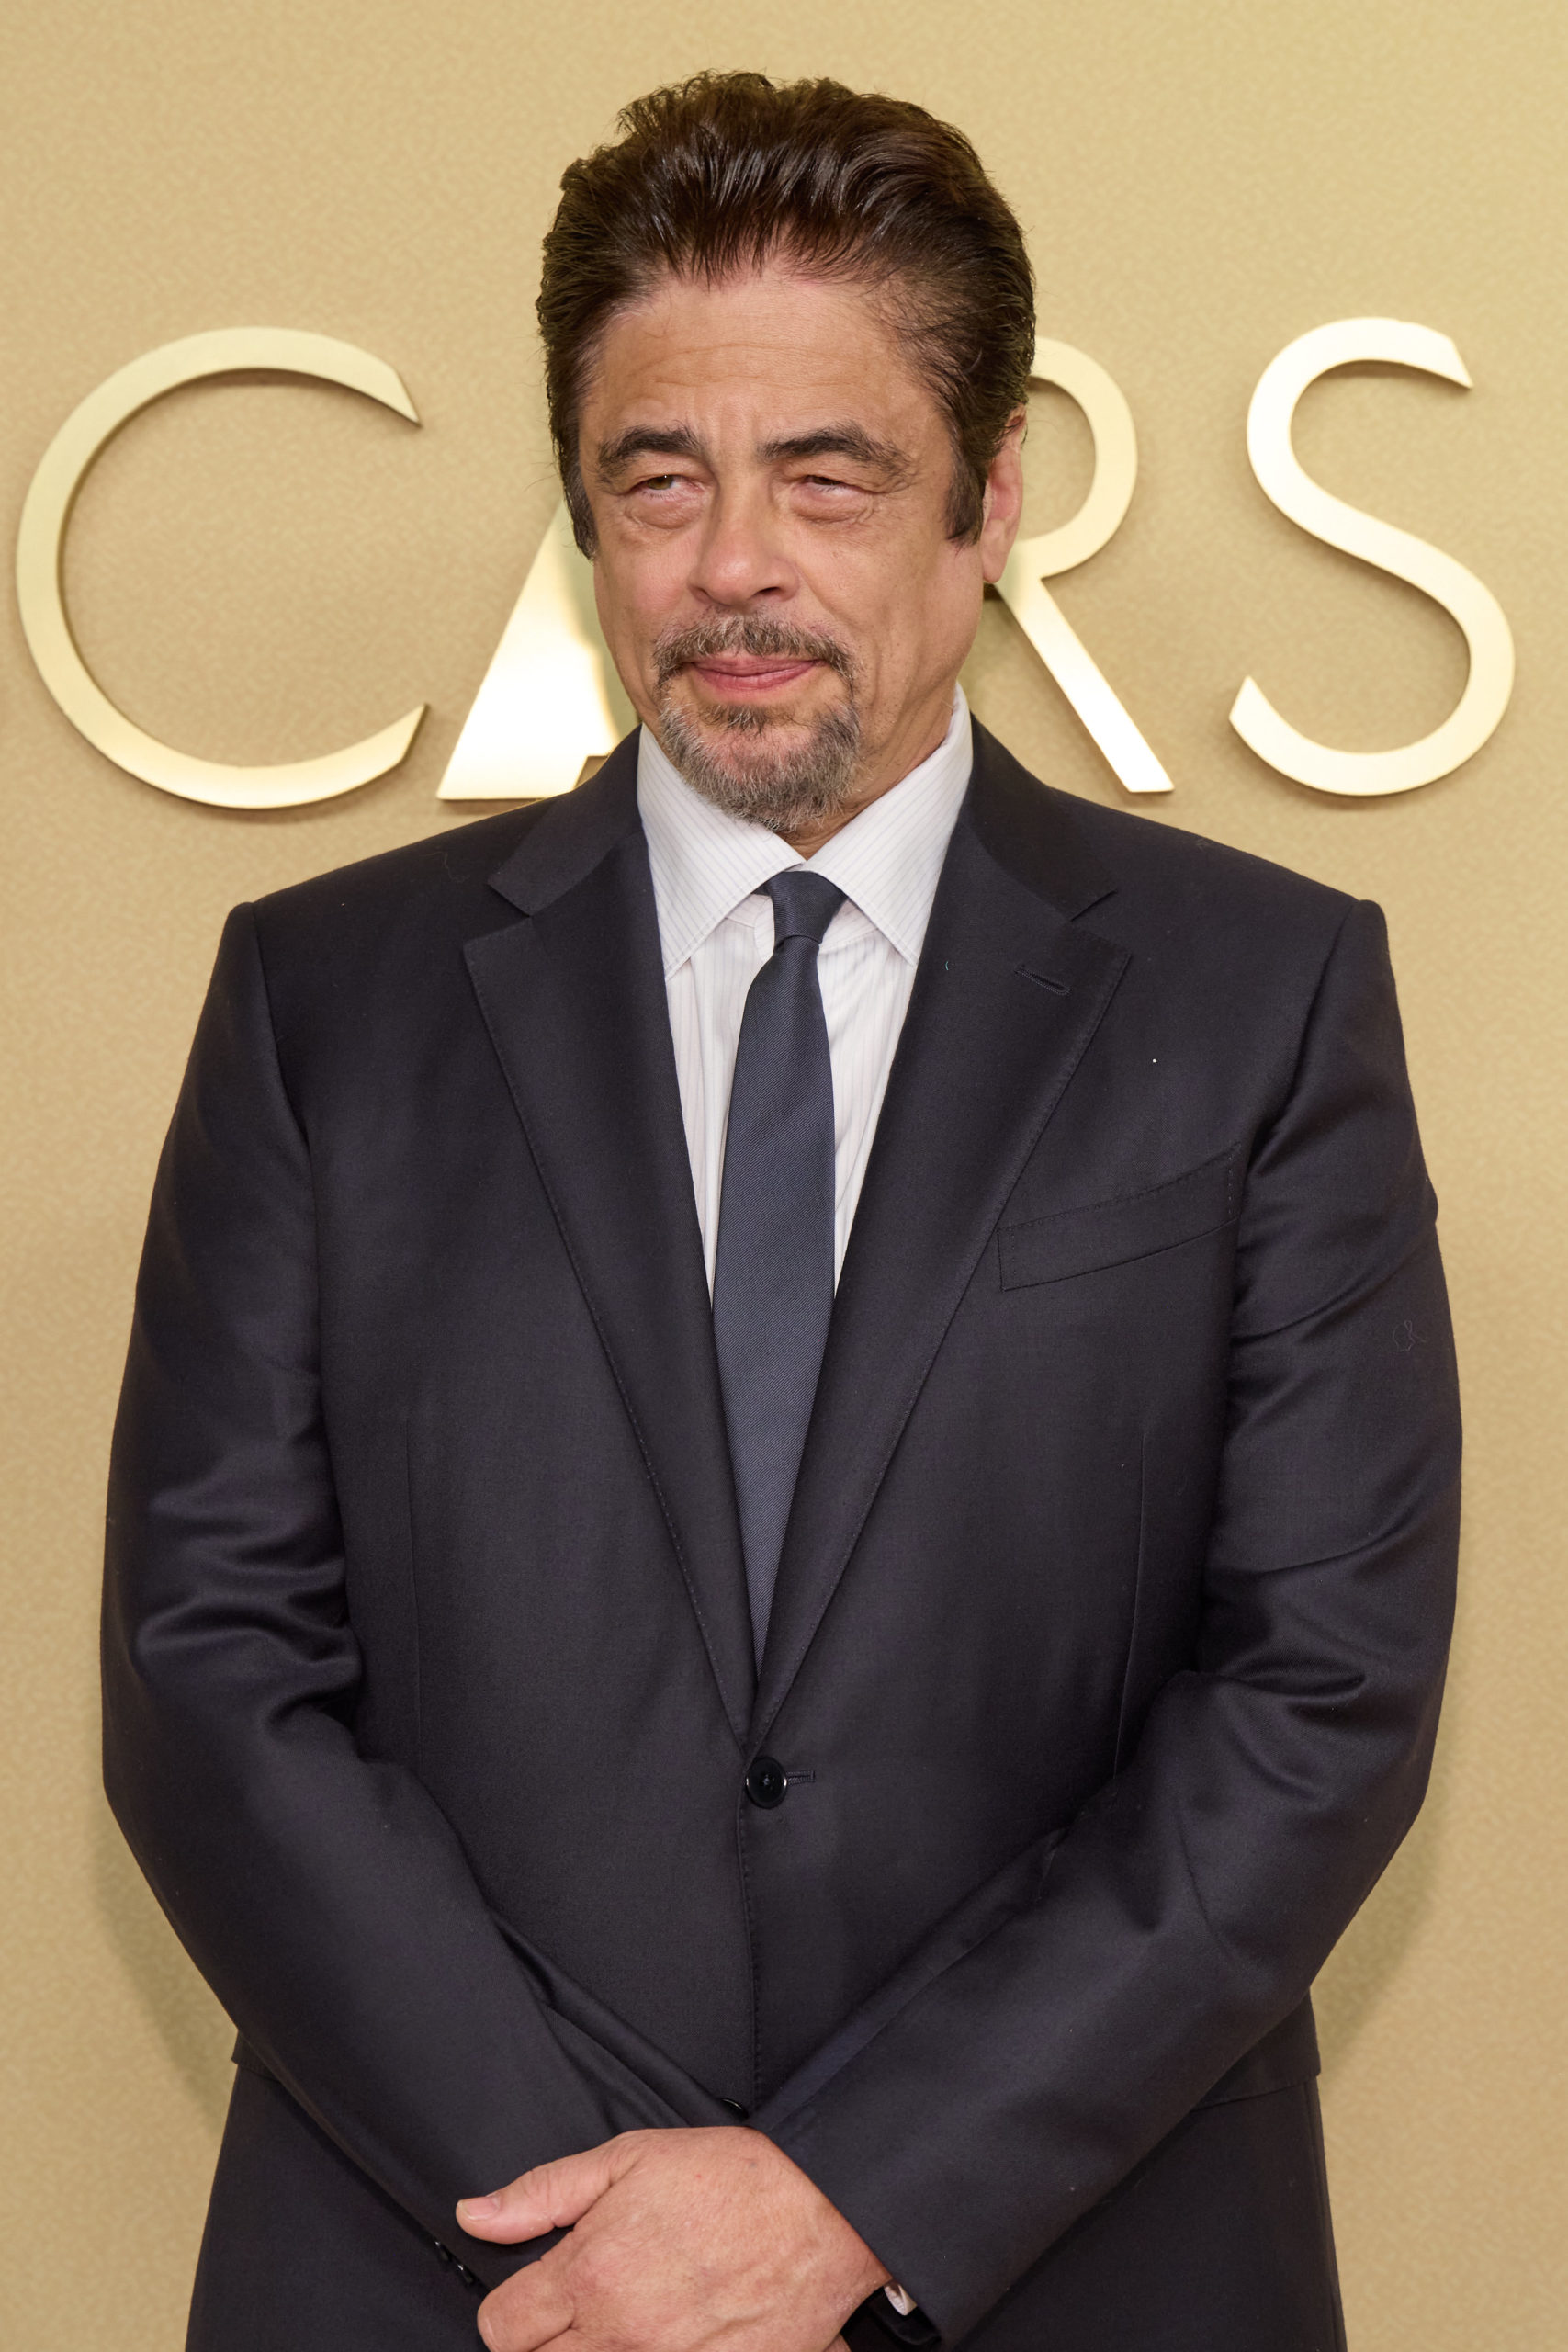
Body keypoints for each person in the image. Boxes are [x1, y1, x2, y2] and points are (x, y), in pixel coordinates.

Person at [102, 71, 1461, 2352]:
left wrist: (852, 2195)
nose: (733, 562)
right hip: (456, 2260)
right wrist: (604, 2233)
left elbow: (1315, 1688)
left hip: (1078, 2259)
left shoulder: (1261, 996)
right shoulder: (319, 1001)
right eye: (660, 478)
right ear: (584, 511)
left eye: (825, 477)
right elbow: (209, 1670)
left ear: (987, 498)